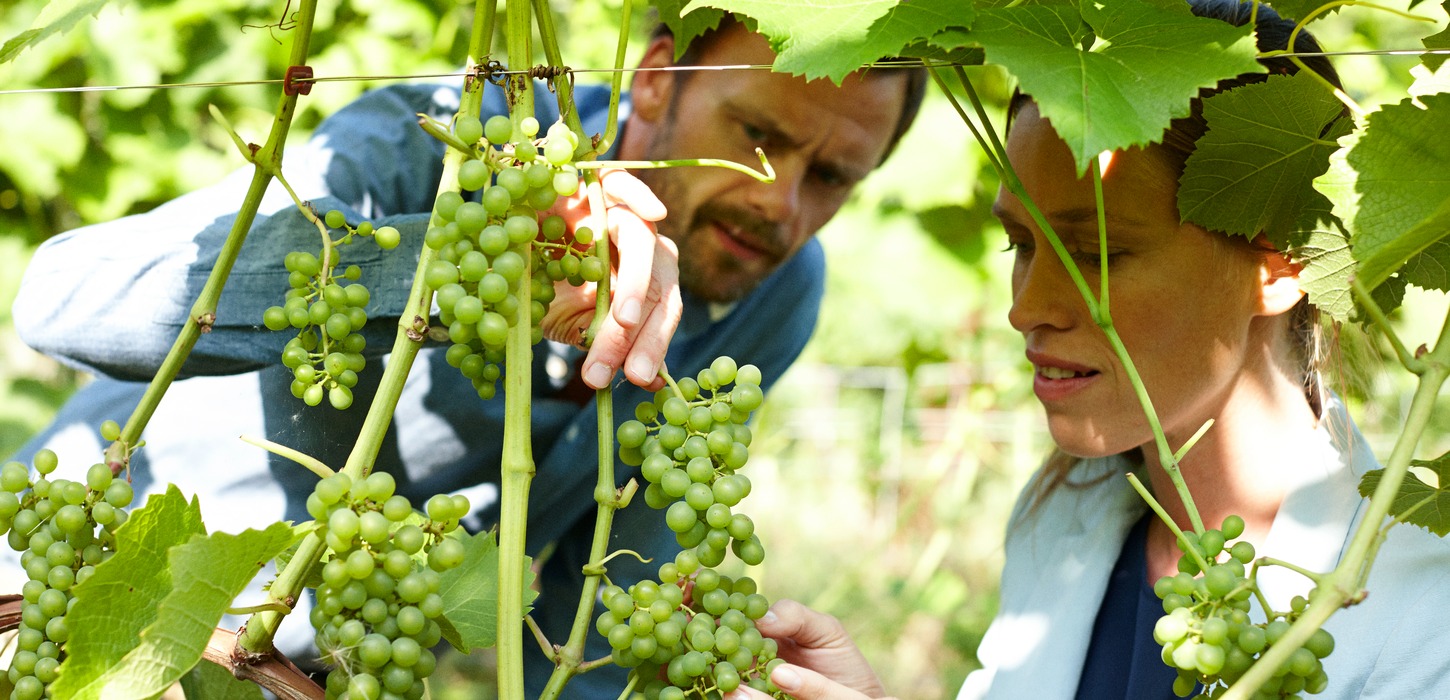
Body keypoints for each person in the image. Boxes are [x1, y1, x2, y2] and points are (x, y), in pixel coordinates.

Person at [5, 16, 925, 697]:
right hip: (73, 590)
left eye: (835, 175)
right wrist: (450, 269)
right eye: (759, 136)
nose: (781, 201)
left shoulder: (776, 286)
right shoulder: (435, 143)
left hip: (316, 667)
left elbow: (613, 605)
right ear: (654, 79)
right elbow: (63, 300)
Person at [725, 2, 1450, 699]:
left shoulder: (1424, 611)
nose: (1025, 308)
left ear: (1285, 263)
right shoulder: (1057, 520)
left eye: (1096, 251)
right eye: (1021, 244)